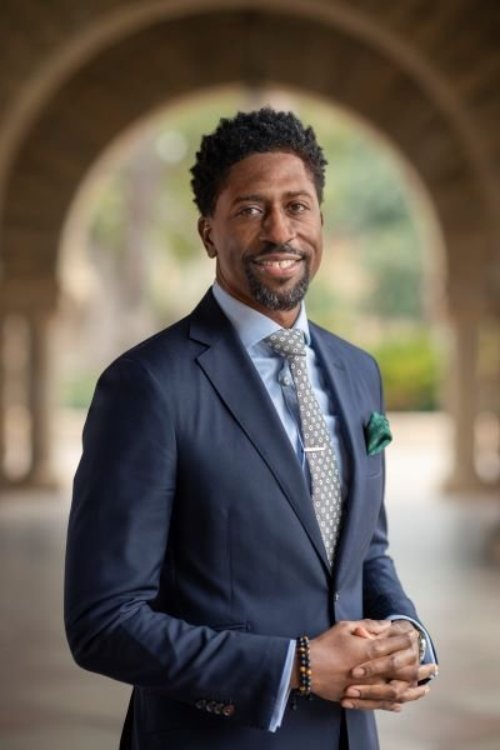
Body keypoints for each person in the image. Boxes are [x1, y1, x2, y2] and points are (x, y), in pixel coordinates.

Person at [65, 108, 437, 750]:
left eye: (298, 206)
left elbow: (362, 553)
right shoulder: (148, 386)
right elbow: (104, 621)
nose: (279, 230)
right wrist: (292, 667)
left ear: (320, 220)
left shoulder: (357, 372)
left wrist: (404, 630)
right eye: (250, 209)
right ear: (209, 233)